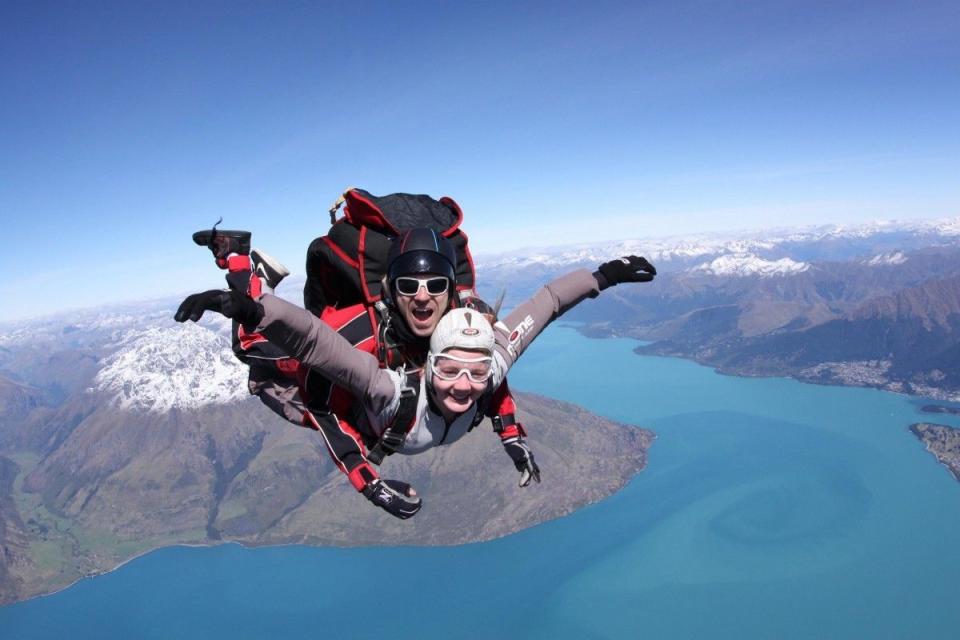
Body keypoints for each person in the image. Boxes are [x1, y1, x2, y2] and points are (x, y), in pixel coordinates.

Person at [176, 253, 657, 518]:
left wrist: (604, 276)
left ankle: (252, 284)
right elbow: (313, 342)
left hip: (387, 420)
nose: (465, 387)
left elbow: (547, 303)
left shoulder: (493, 364)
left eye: (475, 372)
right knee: (253, 356)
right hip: (328, 396)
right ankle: (243, 267)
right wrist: (368, 483)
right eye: (449, 371)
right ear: (428, 368)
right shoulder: (386, 390)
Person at [190, 225, 536, 502]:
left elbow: (484, 371)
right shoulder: (357, 332)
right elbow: (320, 404)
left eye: (434, 286)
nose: (422, 296)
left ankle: (255, 282)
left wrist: (510, 434)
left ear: (449, 289)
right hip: (326, 345)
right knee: (248, 346)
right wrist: (365, 478)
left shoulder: (469, 318)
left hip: (358, 371)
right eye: (409, 286)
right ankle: (240, 259)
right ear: (392, 290)